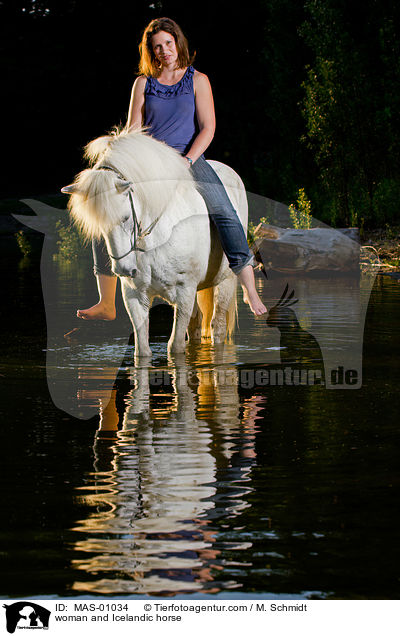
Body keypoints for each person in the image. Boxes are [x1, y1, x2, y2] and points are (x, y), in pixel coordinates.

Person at [78, 17, 267, 321]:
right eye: (157, 46)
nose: (164, 50)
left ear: (178, 42)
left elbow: (208, 128)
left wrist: (189, 159)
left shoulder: (198, 80)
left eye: (168, 43)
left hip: (188, 159)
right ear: (150, 51)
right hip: (149, 165)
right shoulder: (143, 83)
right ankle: (107, 302)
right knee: (106, 205)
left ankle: (249, 289)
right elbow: (133, 131)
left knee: (224, 210)